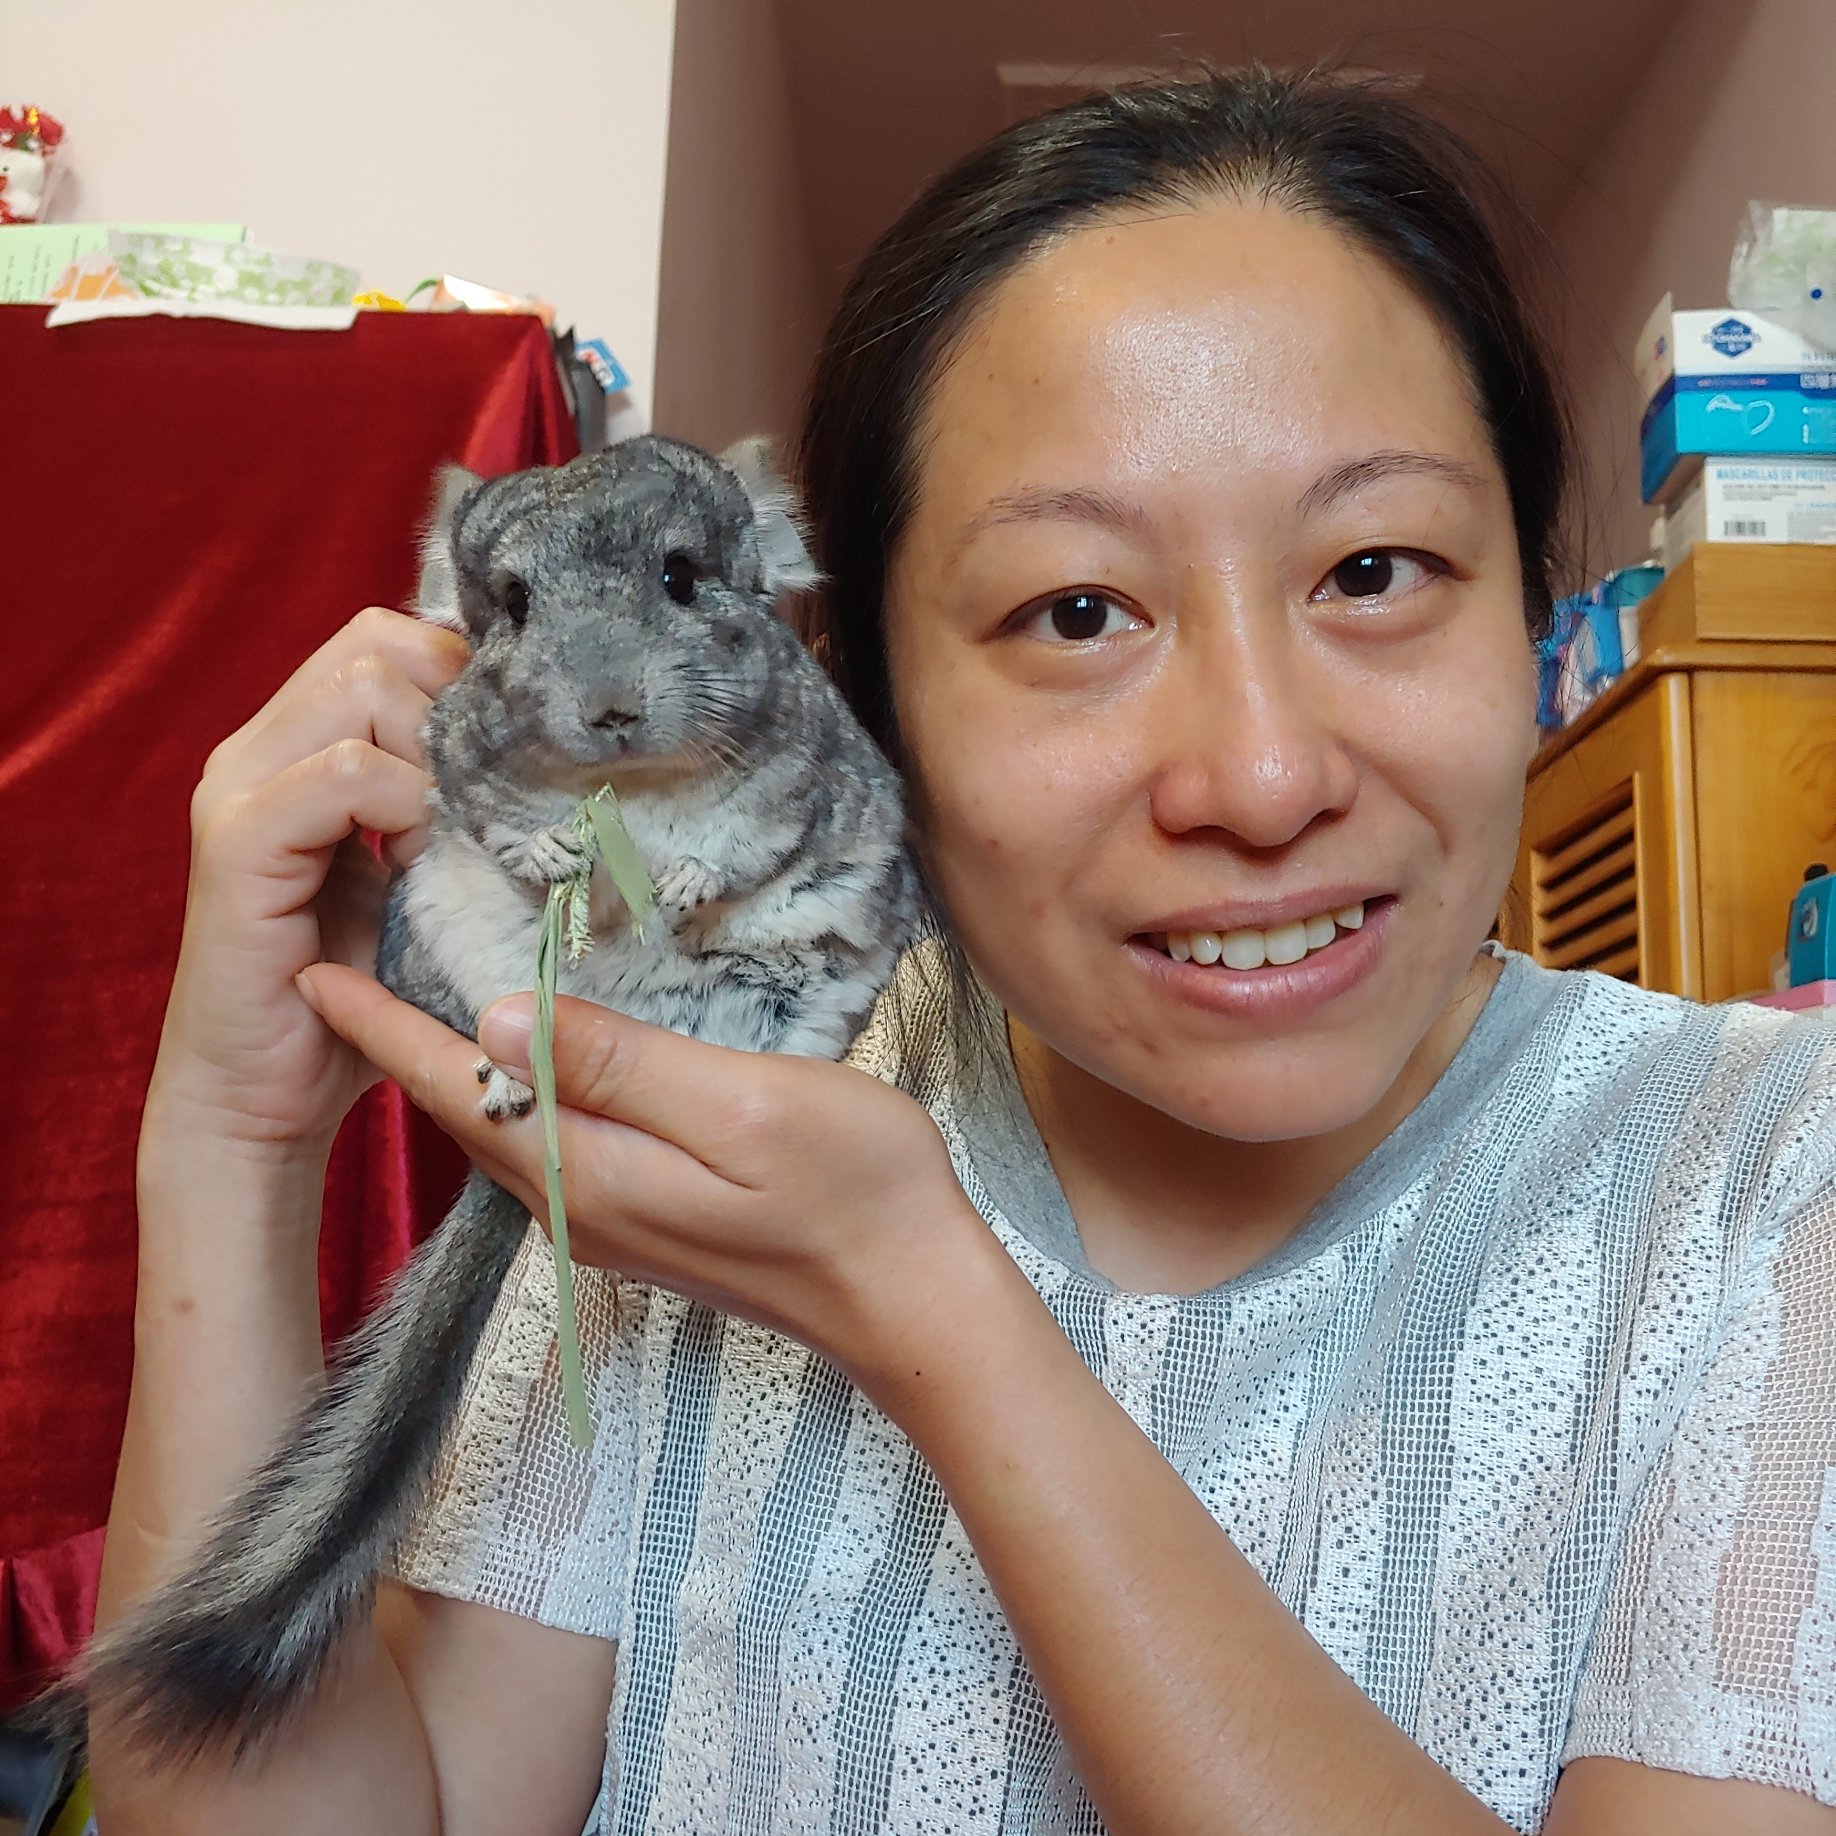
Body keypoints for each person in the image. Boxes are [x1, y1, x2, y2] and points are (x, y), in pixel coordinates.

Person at [88, 67, 1836, 1836]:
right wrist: (234, 1138)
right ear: (867, 706)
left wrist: (931, 1308)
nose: (1263, 775)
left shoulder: (1771, 1179)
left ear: (1535, 620)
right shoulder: (716, 1122)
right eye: (1078, 611)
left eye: (1375, 571)